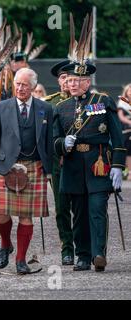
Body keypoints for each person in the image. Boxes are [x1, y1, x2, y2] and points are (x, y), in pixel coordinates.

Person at [54, 60, 126, 272]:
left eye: (77, 80)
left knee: (97, 211)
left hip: (99, 164)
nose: (72, 84)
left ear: (87, 82)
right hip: (73, 166)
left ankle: (98, 254)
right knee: (79, 213)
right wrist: (61, 145)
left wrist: (117, 165)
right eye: (69, 80)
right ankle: (83, 255)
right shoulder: (61, 108)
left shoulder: (103, 101)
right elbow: (54, 139)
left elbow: (116, 135)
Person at [0, 68, 53, 275]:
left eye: (24, 85)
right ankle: (6, 244)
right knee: (1, 212)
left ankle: (21, 260)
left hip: (34, 166)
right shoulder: (1, 107)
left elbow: (48, 141)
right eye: (17, 84)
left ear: (32, 87)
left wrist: (48, 169)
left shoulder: (45, 108)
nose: (20, 88)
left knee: (26, 215)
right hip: (6, 167)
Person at [43, 59, 74, 266]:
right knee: (62, 207)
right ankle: (67, 247)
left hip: (82, 160)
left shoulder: (91, 101)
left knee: (82, 206)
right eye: (63, 78)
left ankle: (85, 246)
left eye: (70, 78)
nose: (67, 82)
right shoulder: (49, 104)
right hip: (57, 162)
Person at [117, 83, 131, 179]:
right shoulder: (122, 102)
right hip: (126, 130)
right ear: (126, 92)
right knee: (128, 151)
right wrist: (129, 122)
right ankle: (128, 172)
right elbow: (121, 117)